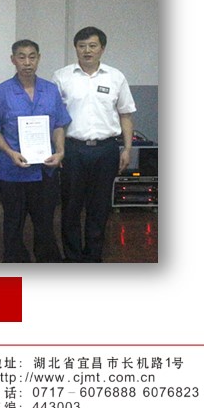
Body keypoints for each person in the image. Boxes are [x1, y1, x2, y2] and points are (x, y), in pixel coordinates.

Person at [53, 26, 137, 263]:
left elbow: (126, 115)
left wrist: (127, 149)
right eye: (82, 46)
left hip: (106, 149)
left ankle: (93, 257)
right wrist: (59, 150)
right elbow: (55, 118)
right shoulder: (61, 77)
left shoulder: (116, 77)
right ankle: (73, 257)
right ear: (75, 48)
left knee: (99, 208)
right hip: (72, 149)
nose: (87, 51)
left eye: (92, 46)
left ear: (102, 48)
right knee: (71, 207)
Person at [0, 39, 70, 263]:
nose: (27, 62)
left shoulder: (50, 90)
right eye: (21, 57)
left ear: (39, 59)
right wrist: (10, 152)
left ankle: (47, 263)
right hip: (13, 170)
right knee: (13, 223)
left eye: (32, 57)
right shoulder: (1, 92)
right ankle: (15, 264)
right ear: (13, 60)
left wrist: (60, 151)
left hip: (45, 170)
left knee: (45, 222)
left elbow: (59, 124)